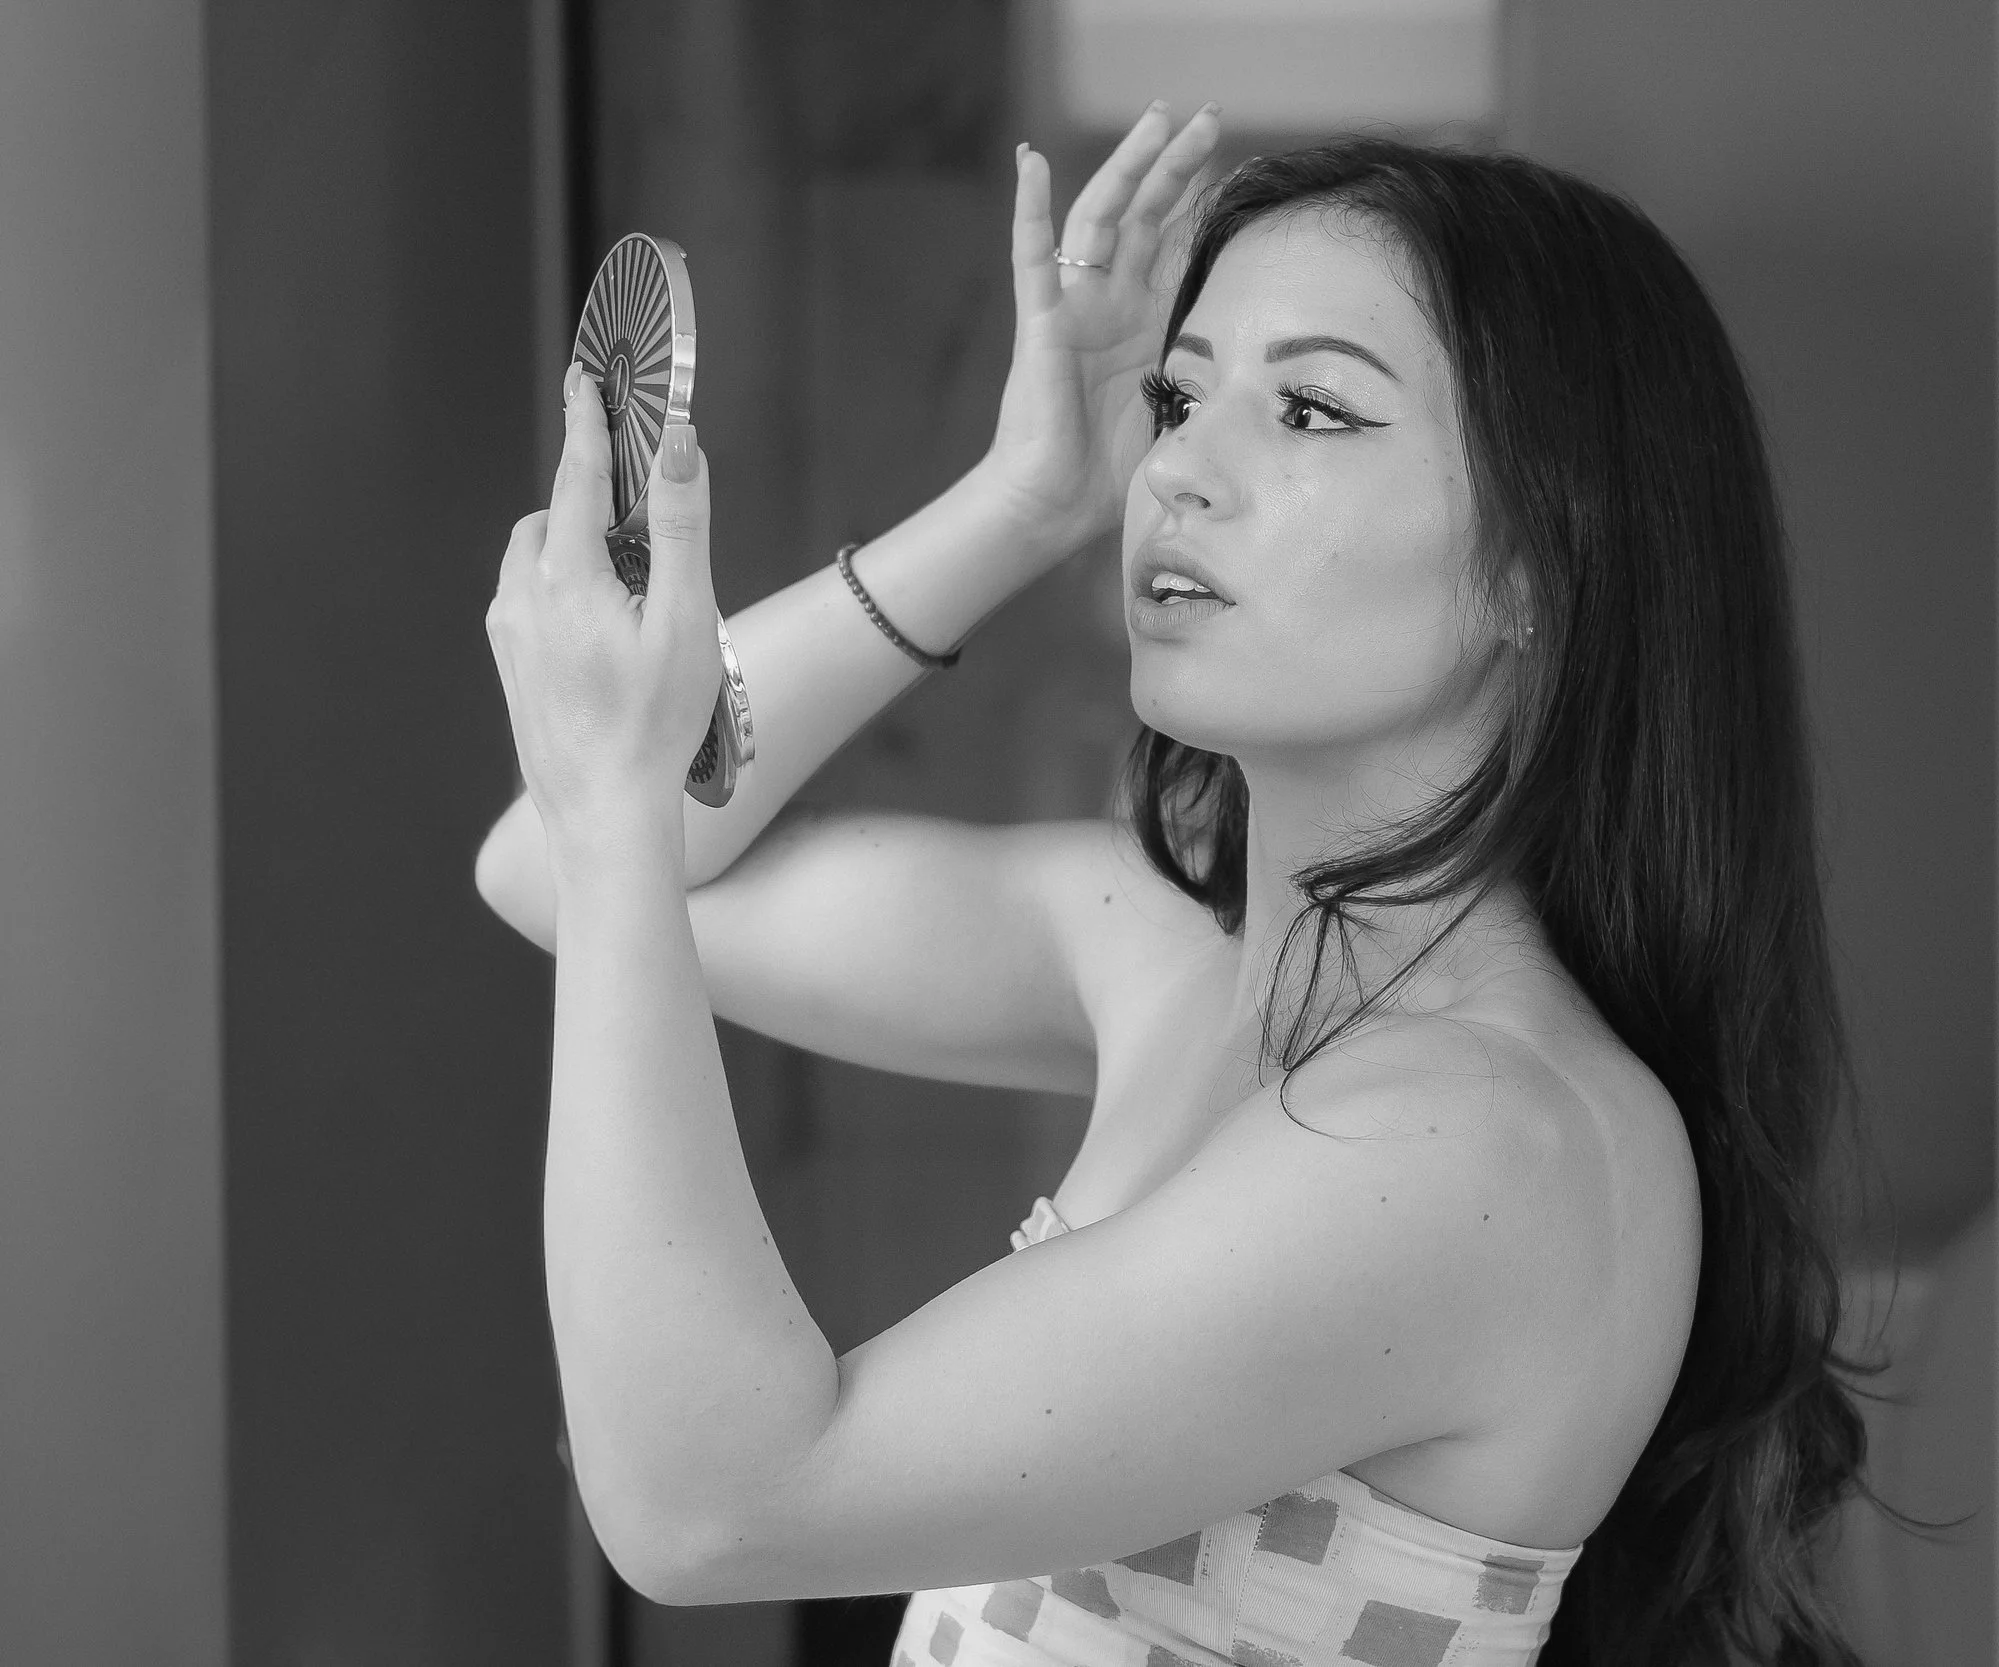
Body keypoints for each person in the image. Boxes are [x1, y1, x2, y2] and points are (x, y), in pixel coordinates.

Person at [478, 98, 1871, 1667]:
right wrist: (1016, 506)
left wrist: (611, 799)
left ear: (1537, 566)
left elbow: (707, 1504)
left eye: (1314, 414)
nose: (1179, 471)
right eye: (1176, 398)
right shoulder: (1170, 962)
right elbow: (557, 870)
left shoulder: (1487, 1141)